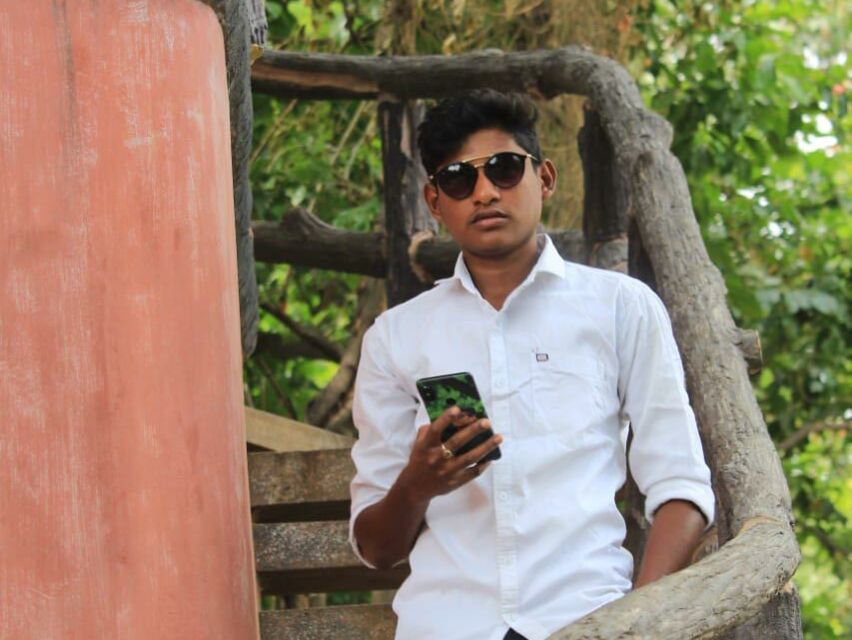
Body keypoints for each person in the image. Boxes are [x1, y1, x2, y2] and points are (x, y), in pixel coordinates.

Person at [348, 89, 714, 640]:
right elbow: (375, 548)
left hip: (587, 619)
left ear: (544, 178)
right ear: (434, 202)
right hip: (445, 625)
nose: (485, 192)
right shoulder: (396, 337)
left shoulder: (619, 307)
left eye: (504, 168)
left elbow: (681, 487)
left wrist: (636, 625)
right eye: (458, 179)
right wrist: (416, 485)